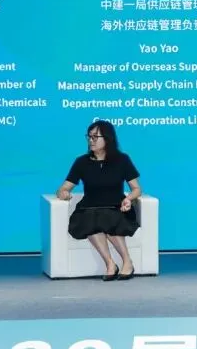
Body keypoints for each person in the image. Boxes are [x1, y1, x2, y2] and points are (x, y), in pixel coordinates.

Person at [56, 120, 143, 280]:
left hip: (116, 207)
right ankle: (110, 264)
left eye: (95, 137)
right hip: (89, 209)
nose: (91, 141)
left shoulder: (122, 160)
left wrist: (129, 199)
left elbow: (137, 189)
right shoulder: (81, 162)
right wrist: (63, 193)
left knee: (107, 218)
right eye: (89, 137)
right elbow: (64, 188)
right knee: (92, 220)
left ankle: (127, 262)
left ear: (107, 139)